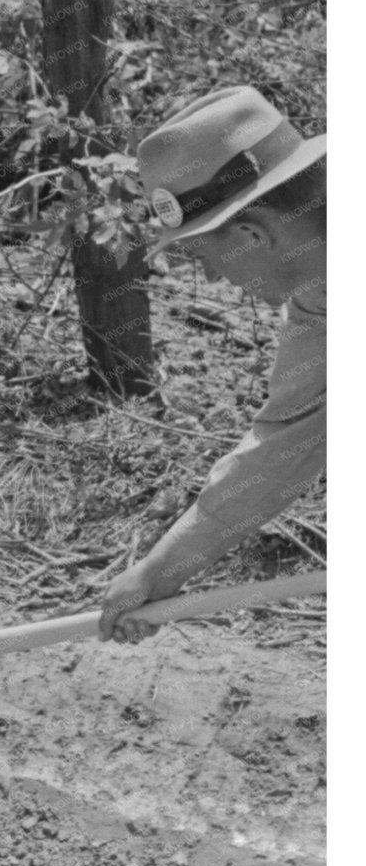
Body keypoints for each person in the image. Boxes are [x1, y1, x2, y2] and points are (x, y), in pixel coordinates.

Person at [99, 87, 326, 642]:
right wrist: (163, 570)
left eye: (205, 257)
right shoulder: (322, 302)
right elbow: (285, 445)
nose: (216, 280)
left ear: (252, 234)